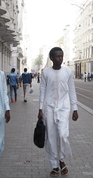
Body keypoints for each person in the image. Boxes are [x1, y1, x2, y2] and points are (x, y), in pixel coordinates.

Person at [37, 47, 78, 176]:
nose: (60, 58)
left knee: (63, 135)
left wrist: (75, 108)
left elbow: (72, 90)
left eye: (61, 56)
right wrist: (40, 108)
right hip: (49, 107)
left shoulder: (67, 72)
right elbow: (42, 90)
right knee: (51, 137)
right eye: (57, 56)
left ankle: (62, 159)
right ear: (51, 58)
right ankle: (55, 165)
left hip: (64, 108)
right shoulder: (45, 72)